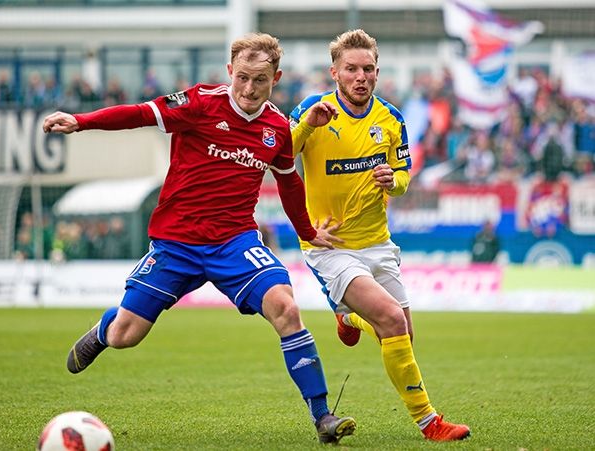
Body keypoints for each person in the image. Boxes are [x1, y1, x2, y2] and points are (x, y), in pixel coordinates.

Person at [43, 33, 356, 445]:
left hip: (235, 242)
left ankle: (323, 416)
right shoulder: (199, 102)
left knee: (285, 307)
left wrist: (308, 231)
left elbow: (289, 183)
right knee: (126, 335)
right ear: (230, 72)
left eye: (259, 80)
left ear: (275, 78)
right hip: (176, 243)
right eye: (242, 77)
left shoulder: (278, 128)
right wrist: (82, 122)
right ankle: (102, 331)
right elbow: (138, 113)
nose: (248, 88)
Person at [289, 29, 471, 442]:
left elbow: (405, 175)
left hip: (378, 241)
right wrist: (304, 129)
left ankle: (348, 317)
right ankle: (430, 423)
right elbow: (277, 155)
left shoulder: (390, 118)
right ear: (334, 72)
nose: (361, 76)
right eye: (351, 69)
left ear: (377, 71)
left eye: (368, 69)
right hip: (329, 245)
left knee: (404, 331)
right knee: (389, 319)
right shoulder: (312, 109)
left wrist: (395, 180)